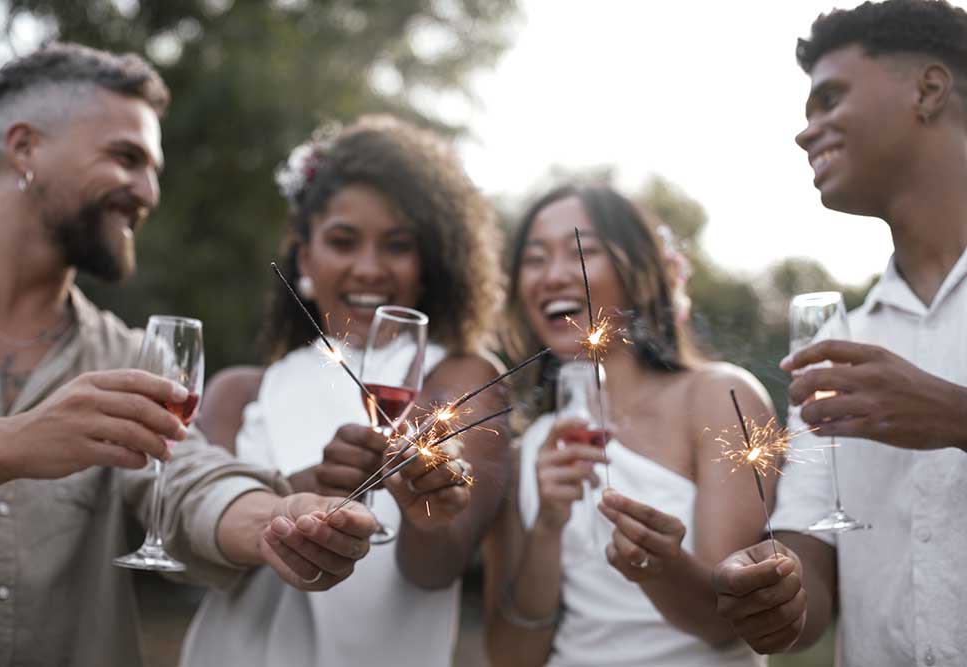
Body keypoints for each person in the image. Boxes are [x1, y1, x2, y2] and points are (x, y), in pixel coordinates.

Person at [0, 43, 375, 667]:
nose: (147, 192)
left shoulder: (132, 355)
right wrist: (13, 442)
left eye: (153, 168)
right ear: (25, 148)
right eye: (125, 158)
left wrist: (276, 521)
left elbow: (186, 481)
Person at [180, 115, 508, 667]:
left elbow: (437, 571)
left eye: (397, 245)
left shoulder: (461, 378)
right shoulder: (239, 392)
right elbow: (189, 549)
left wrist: (426, 505)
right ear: (305, 260)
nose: (368, 267)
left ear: (428, 264)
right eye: (342, 241)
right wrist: (306, 487)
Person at [712, 1, 967, 664]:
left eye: (828, 99)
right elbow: (813, 574)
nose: (806, 133)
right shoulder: (841, 343)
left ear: (929, 89)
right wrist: (778, 594)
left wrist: (956, 415)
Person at [483, 183, 775, 667]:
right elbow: (510, 658)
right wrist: (548, 527)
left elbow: (732, 625)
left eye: (581, 251)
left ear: (639, 271)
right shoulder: (528, 447)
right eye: (535, 259)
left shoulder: (721, 398)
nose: (554, 275)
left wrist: (660, 567)